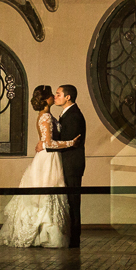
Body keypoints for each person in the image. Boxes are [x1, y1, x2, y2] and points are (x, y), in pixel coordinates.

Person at [0, 85, 80, 248]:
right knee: (45, 192)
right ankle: (43, 233)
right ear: (45, 100)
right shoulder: (45, 117)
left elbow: (46, 141)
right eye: (51, 95)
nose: (53, 97)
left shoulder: (47, 115)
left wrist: (44, 143)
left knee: (48, 193)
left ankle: (44, 232)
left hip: (50, 157)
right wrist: (71, 143)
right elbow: (49, 143)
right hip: (47, 158)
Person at [43, 85, 86, 248]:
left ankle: (75, 237)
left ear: (68, 97)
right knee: (68, 199)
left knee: (73, 199)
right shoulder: (66, 114)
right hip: (66, 161)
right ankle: (70, 234)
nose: (55, 96)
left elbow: (71, 142)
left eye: (59, 94)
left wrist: (47, 144)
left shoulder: (74, 115)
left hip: (72, 162)